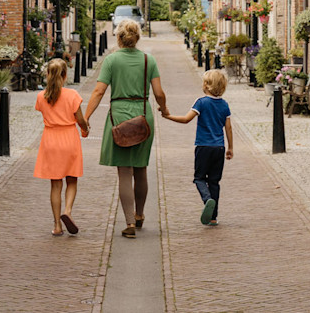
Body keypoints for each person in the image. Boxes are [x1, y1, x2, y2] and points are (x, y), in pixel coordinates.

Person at [83, 20, 169, 238]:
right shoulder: (149, 61)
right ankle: (140, 215)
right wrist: (164, 109)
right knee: (141, 168)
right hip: (143, 114)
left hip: (119, 115)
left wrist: (85, 118)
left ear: (119, 38)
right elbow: (158, 93)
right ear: (137, 37)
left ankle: (129, 223)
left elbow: (98, 92)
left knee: (124, 171)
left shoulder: (111, 60)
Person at [162, 69, 233, 226]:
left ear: (207, 86)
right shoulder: (224, 105)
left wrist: (168, 116)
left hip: (203, 147)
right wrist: (230, 147)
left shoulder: (201, 102)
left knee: (199, 178)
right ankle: (213, 217)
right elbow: (228, 127)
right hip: (219, 148)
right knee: (214, 181)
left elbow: (186, 119)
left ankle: (207, 199)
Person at [34, 59, 89, 236]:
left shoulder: (41, 96)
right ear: (65, 76)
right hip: (69, 138)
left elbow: (44, 110)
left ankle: (57, 225)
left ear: (47, 75)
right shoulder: (72, 95)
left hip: (50, 140)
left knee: (55, 185)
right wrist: (85, 128)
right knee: (71, 180)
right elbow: (80, 119)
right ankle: (68, 211)